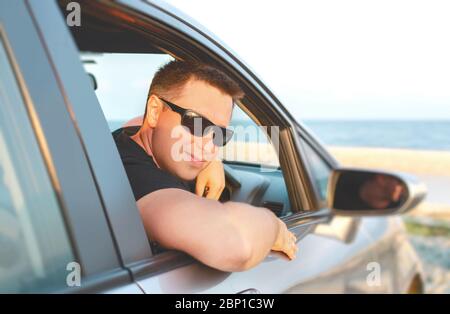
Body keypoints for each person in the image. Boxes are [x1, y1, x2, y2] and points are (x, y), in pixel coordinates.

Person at [113, 60, 297, 272]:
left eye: (219, 135)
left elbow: (138, 122)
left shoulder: (125, 140)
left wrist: (210, 160)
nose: (209, 146)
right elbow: (236, 244)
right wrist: (273, 227)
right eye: (196, 123)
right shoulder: (139, 179)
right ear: (154, 111)